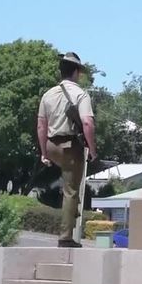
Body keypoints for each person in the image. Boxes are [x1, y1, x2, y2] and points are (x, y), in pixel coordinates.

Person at [37, 52, 97, 248]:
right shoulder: (80, 94)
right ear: (76, 72)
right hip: (70, 146)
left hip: (52, 145)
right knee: (71, 190)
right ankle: (65, 236)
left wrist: (44, 153)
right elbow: (87, 123)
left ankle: (73, 212)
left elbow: (41, 126)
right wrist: (92, 149)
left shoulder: (48, 94)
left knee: (69, 186)